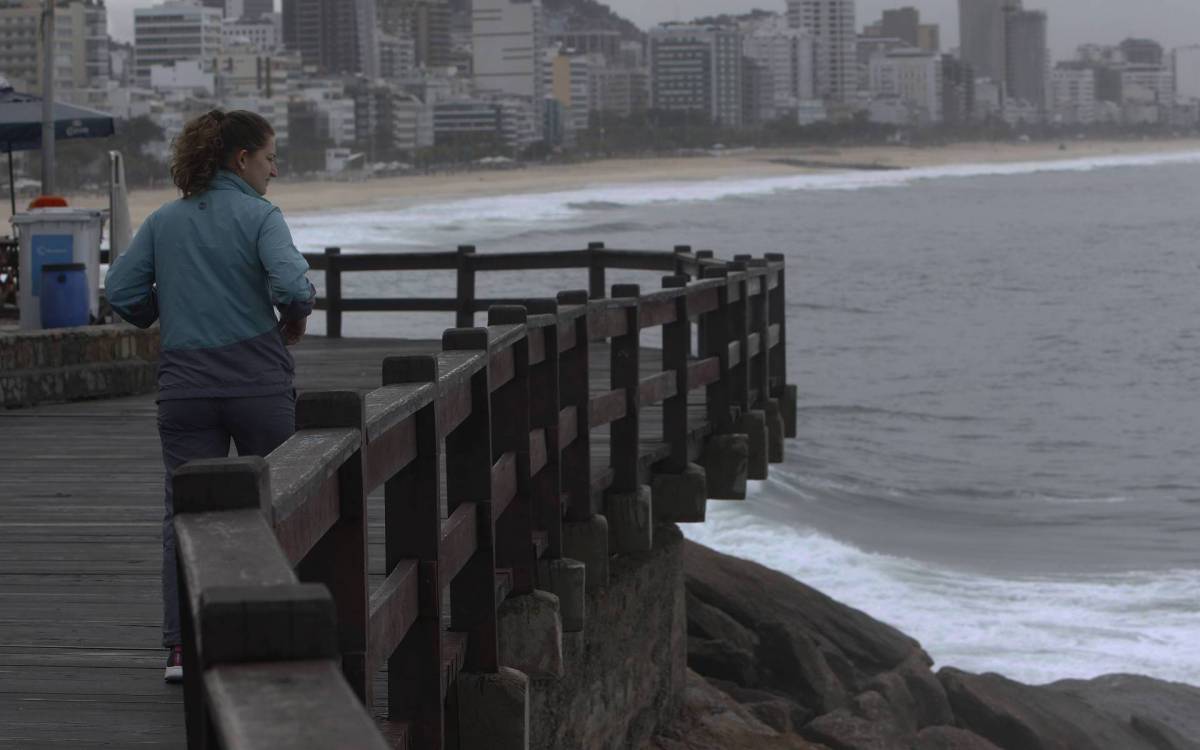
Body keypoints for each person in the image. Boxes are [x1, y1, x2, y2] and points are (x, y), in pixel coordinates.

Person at [104, 110, 315, 683]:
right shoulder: (260, 216)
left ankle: (180, 649)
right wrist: (292, 319)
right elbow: (293, 286)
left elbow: (119, 289)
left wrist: (158, 310)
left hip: (186, 389)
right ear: (241, 160)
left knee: (185, 513)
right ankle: (276, 632)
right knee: (279, 501)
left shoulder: (164, 221)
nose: (275, 169)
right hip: (257, 384)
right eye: (269, 158)